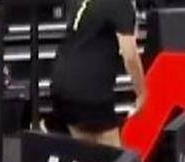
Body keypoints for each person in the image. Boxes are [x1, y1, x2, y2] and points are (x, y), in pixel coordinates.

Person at [50, 0, 146, 146]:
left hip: (61, 86)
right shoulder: (120, 4)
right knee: (113, 156)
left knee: (86, 151)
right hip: (89, 93)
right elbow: (130, 56)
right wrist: (142, 93)